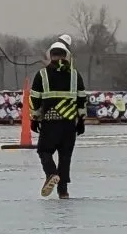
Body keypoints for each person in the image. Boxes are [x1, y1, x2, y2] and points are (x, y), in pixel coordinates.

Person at [29, 38, 87, 198]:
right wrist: (81, 120)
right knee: (65, 156)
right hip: (69, 123)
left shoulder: (42, 75)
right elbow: (82, 99)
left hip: (50, 121)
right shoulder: (75, 75)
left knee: (44, 150)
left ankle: (51, 174)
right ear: (66, 56)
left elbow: (35, 99)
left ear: (51, 55)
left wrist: (34, 118)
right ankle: (63, 192)